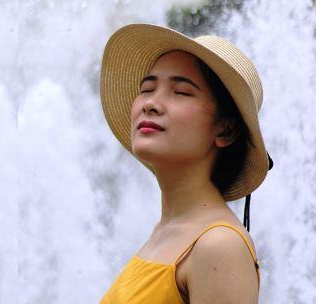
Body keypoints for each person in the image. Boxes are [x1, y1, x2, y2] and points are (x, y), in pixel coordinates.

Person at [99, 24, 273, 304]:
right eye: (147, 88)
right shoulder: (167, 231)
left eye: (180, 92)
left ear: (225, 130)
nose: (151, 103)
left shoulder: (218, 245)